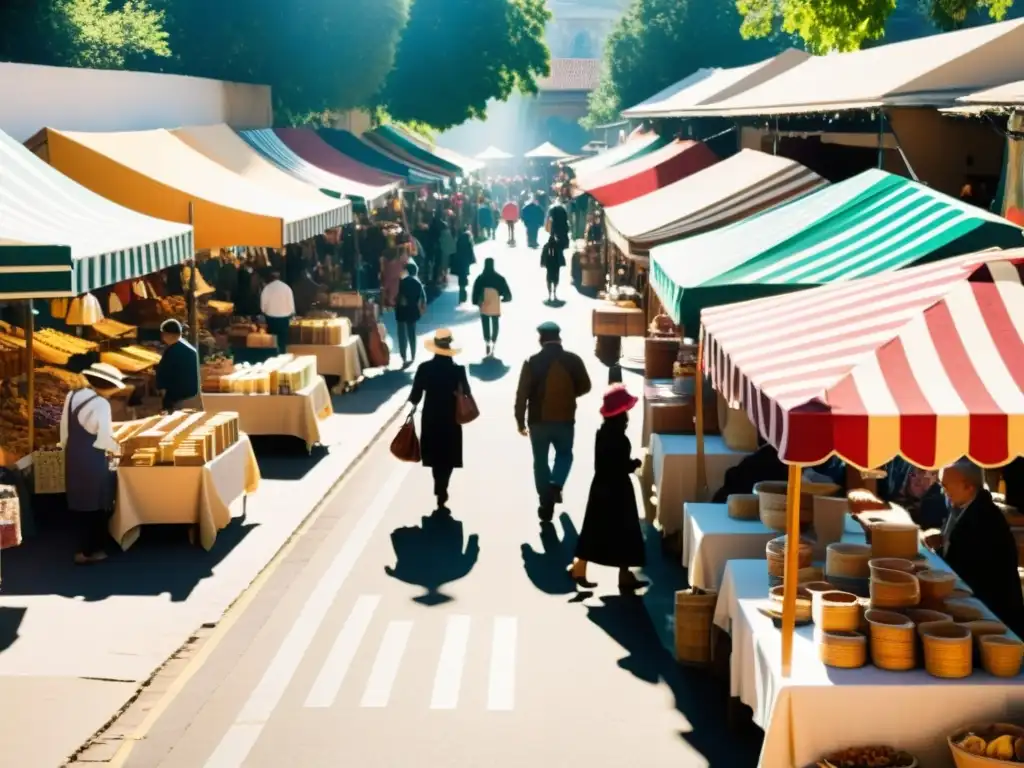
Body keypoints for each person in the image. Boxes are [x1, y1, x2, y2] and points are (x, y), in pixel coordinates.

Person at [926, 459, 1024, 637]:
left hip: (995, 617)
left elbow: (963, 568)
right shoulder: (967, 505)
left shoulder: (983, 519)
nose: (943, 491)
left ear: (968, 487)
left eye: (947, 485)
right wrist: (941, 543)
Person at [569, 385, 646, 591]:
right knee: (625, 532)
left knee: (595, 530)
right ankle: (624, 575)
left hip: (601, 486)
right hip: (618, 489)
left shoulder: (602, 433)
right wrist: (634, 464)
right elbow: (620, 465)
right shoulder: (620, 439)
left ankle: (580, 567)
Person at [515, 321, 592, 522]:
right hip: (565, 419)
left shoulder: (532, 362)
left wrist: (519, 420)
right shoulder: (573, 360)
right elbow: (586, 386)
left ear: (541, 339)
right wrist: (570, 394)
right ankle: (556, 484)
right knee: (565, 455)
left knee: (540, 461)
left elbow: (522, 394)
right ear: (559, 338)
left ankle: (545, 501)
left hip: (537, 421)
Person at [60, 363, 124, 564]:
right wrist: (119, 450)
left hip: (74, 455)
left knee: (80, 502)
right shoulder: (101, 404)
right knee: (97, 504)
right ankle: (91, 551)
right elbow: (105, 439)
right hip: (93, 458)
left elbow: (64, 431)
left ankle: (81, 548)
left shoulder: (73, 396)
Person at [408, 329, 472, 510]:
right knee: (448, 454)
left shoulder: (424, 368)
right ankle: (443, 485)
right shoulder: (458, 370)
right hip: (451, 417)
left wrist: (413, 406)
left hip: (431, 415)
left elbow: (415, 395)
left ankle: (438, 484)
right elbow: (466, 391)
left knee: (435, 454)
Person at [155, 319, 202, 412]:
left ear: (167, 334)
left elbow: (164, 373)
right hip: (192, 395)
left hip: (178, 399)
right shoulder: (190, 349)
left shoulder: (172, 351)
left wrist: (161, 389)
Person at [471, 258, 512, 356]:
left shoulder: (480, 278)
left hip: (484, 302)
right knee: (495, 322)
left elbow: (476, 291)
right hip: (494, 302)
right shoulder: (499, 278)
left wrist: (476, 301)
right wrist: (505, 298)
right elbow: (506, 291)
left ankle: (487, 340)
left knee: (485, 322)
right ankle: (494, 340)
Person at [395, 261, 427, 367]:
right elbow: (423, 299)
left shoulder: (401, 281)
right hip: (413, 310)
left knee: (401, 334)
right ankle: (413, 355)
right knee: (412, 333)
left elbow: (396, 295)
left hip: (401, 310)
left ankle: (403, 356)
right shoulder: (417, 282)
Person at [260, 270, 295, 353]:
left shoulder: (267, 288)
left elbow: (263, 307)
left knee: (272, 344)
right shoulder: (287, 288)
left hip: (271, 320)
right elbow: (291, 307)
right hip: (284, 319)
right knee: (283, 344)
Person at [452, 226, 476, 304]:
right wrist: (472, 260)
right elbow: (471, 254)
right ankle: (463, 293)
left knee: (461, 278)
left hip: (459, 263)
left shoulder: (458, 243)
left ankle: (462, 292)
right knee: (464, 276)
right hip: (465, 263)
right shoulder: (468, 244)